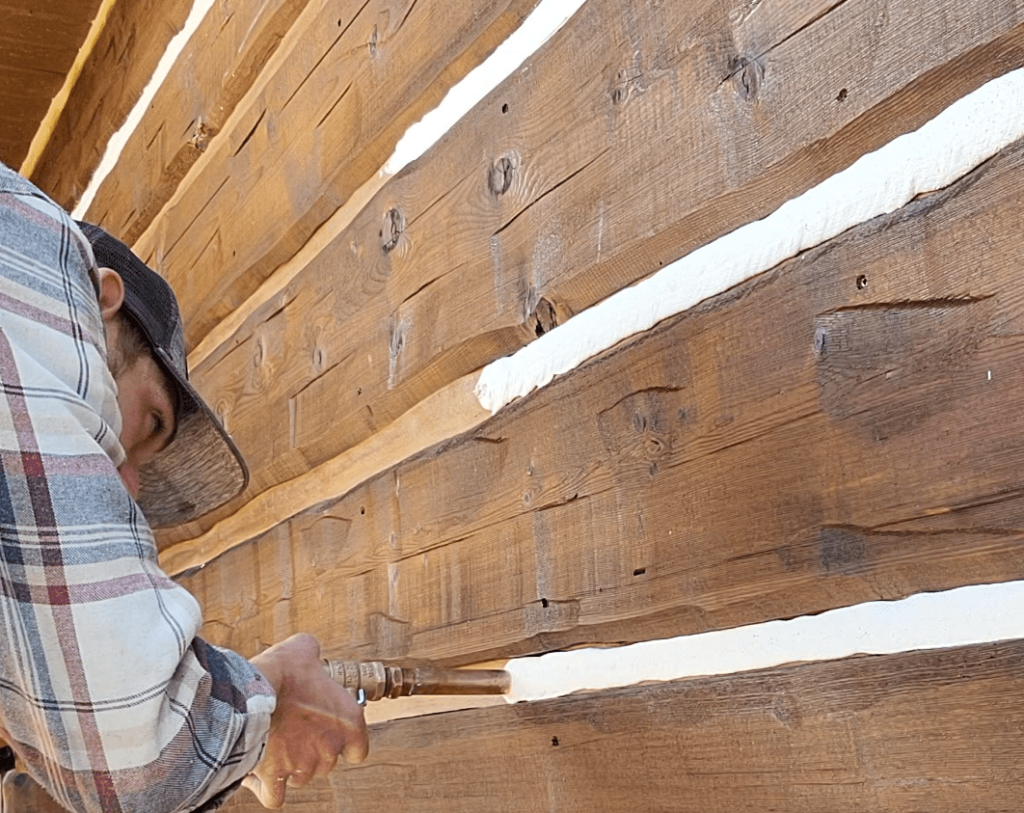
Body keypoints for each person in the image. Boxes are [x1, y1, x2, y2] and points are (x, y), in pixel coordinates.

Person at [0, 161, 368, 812]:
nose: (125, 478)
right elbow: (136, 754)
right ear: (100, 299)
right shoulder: (38, 270)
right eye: (150, 419)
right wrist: (260, 702)